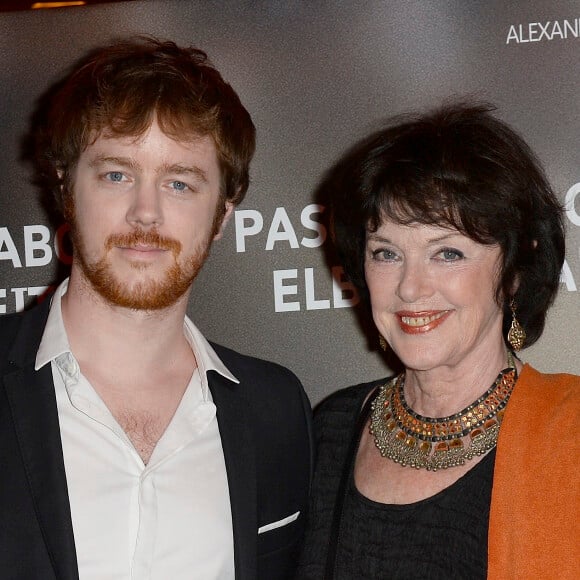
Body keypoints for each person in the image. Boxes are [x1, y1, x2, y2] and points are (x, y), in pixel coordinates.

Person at [0, 36, 312, 580]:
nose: (146, 213)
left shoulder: (276, 410)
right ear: (66, 189)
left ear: (221, 214)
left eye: (180, 183)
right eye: (116, 174)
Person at [296, 102, 579, 579]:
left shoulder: (569, 434)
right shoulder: (332, 429)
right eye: (386, 253)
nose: (410, 287)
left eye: (447, 253)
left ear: (514, 271)